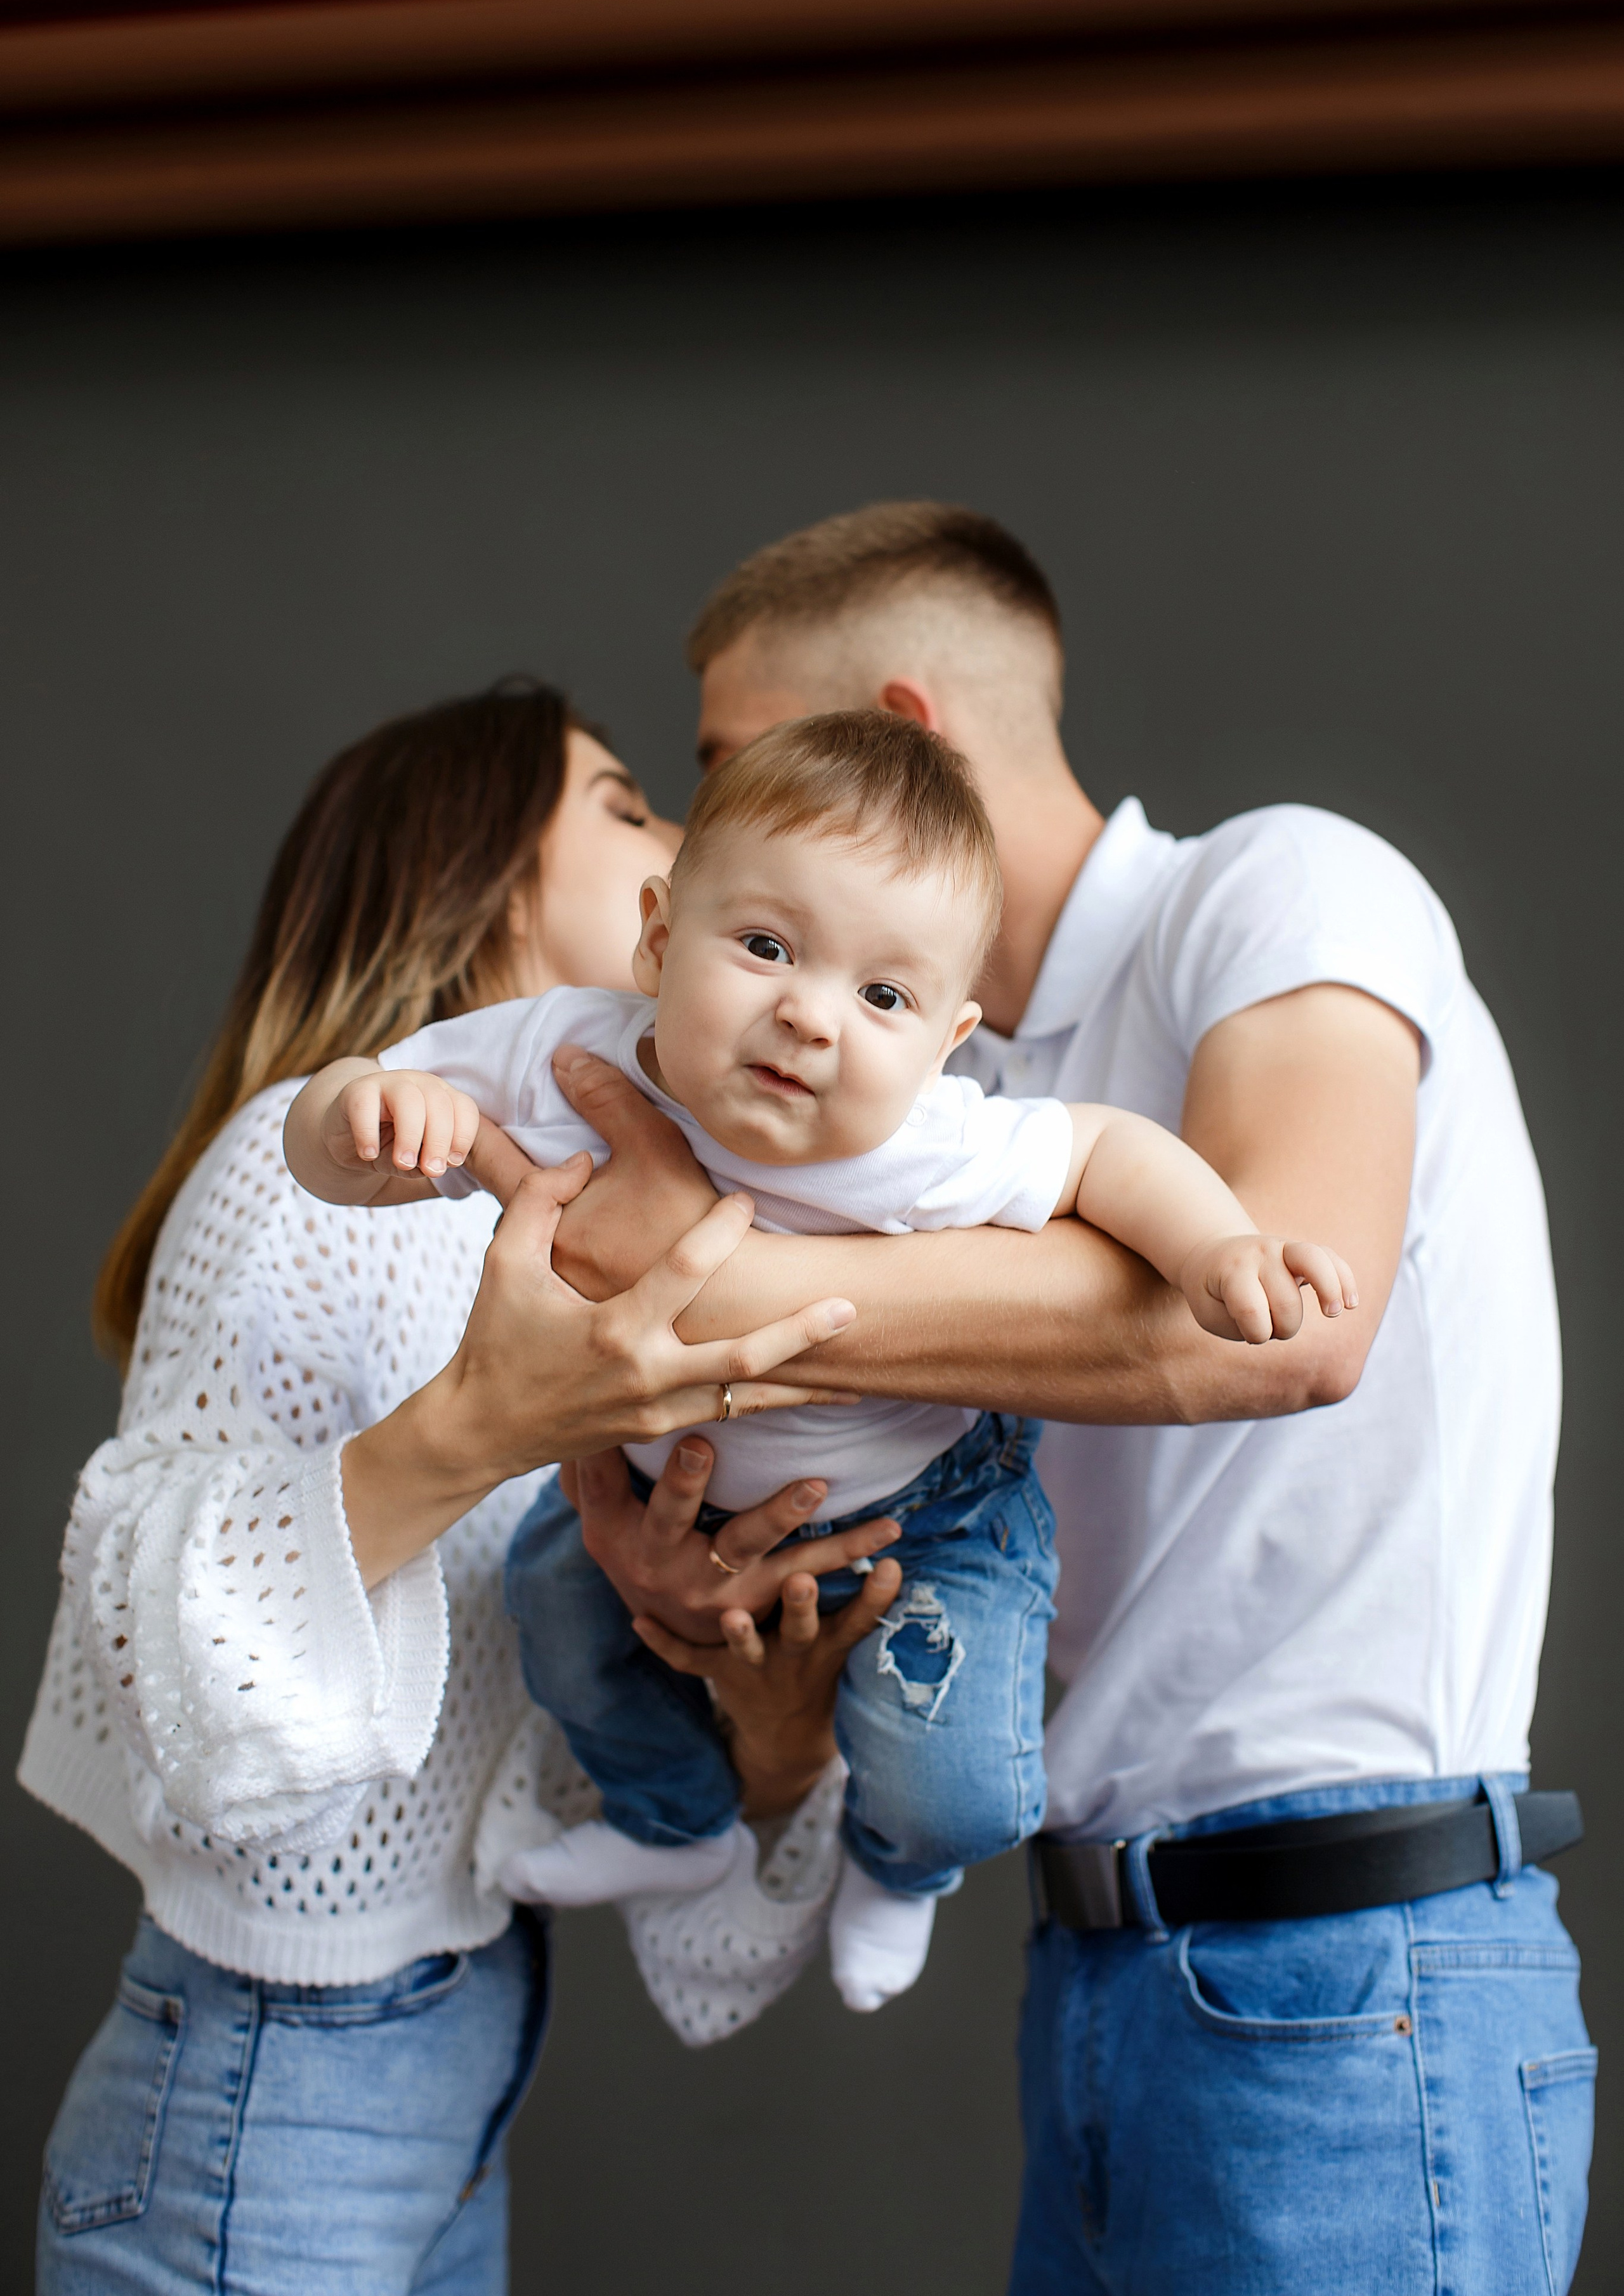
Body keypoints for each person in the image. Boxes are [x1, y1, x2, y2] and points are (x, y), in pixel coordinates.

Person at [531, 506, 1592, 2294]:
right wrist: (703, 1581)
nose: (716, 827)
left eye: (728, 759)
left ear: (902, 731)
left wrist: (697, 1307)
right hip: (1105, 1964)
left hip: (1344, 1972)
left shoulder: (1278, 889)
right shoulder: (931, 1105)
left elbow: (1284, 1318)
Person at [19, 680, 907, 2296]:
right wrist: (493, 1418)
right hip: (265, 2107)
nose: (690, 840)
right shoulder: (313, 1168)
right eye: (631, 804)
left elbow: (704, 1955)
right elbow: (185, 1721)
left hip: (459, 2081)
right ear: (495, 878)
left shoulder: (635, 1248)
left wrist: (747, 1703)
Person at [285, 710, 1354, 2014]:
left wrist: (1214, 1252)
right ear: (659, 939)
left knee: (949, 1783)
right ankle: (673, 1829)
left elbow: (1101, 1155)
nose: (808, 1017)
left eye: (882, 996)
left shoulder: (923, 1141)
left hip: (926, 1515)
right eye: (763, 947)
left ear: (945, 1040)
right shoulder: (568, 1049)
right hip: (655, 1488)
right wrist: (372, 1116)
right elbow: (335, 1124)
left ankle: (900, 1873)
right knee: (561, 1637)